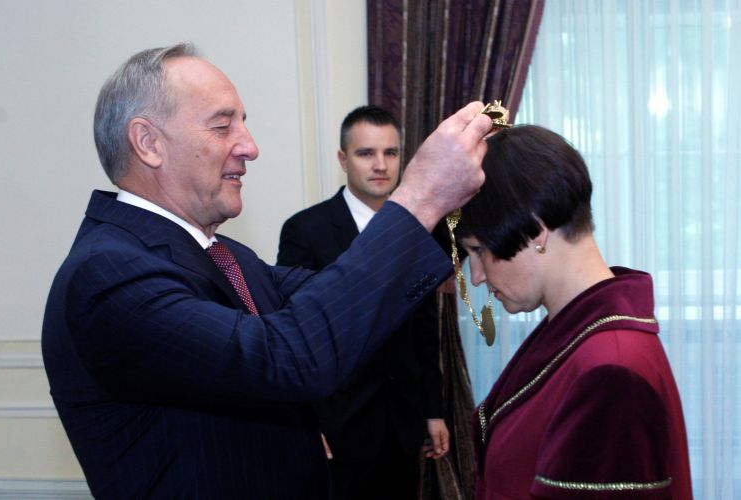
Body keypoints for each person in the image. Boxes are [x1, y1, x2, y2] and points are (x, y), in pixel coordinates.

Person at [40, 43, 491, 499]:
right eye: (223, 126)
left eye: (243, 124)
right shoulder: (109, 273)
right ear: (148, 143)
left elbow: (328, 300)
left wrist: (464, 243)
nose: (250, 147)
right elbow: (289, 356)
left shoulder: (221, 253)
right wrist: (417, 199)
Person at [455, 125, 692, 498]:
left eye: (479, 250)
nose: (477, 276)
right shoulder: (577, 333)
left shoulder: (610, 369)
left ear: (535, 230)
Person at [278, 105, 450, 499]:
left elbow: (425, 328)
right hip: (338, 421)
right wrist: (307, 421)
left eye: (390, 153)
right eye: (366, 153)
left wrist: (433, 409)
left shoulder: (420, 231)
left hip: (404, 420)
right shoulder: (306, 230)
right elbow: (296, 331)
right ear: (343, 159)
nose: (380, 165)